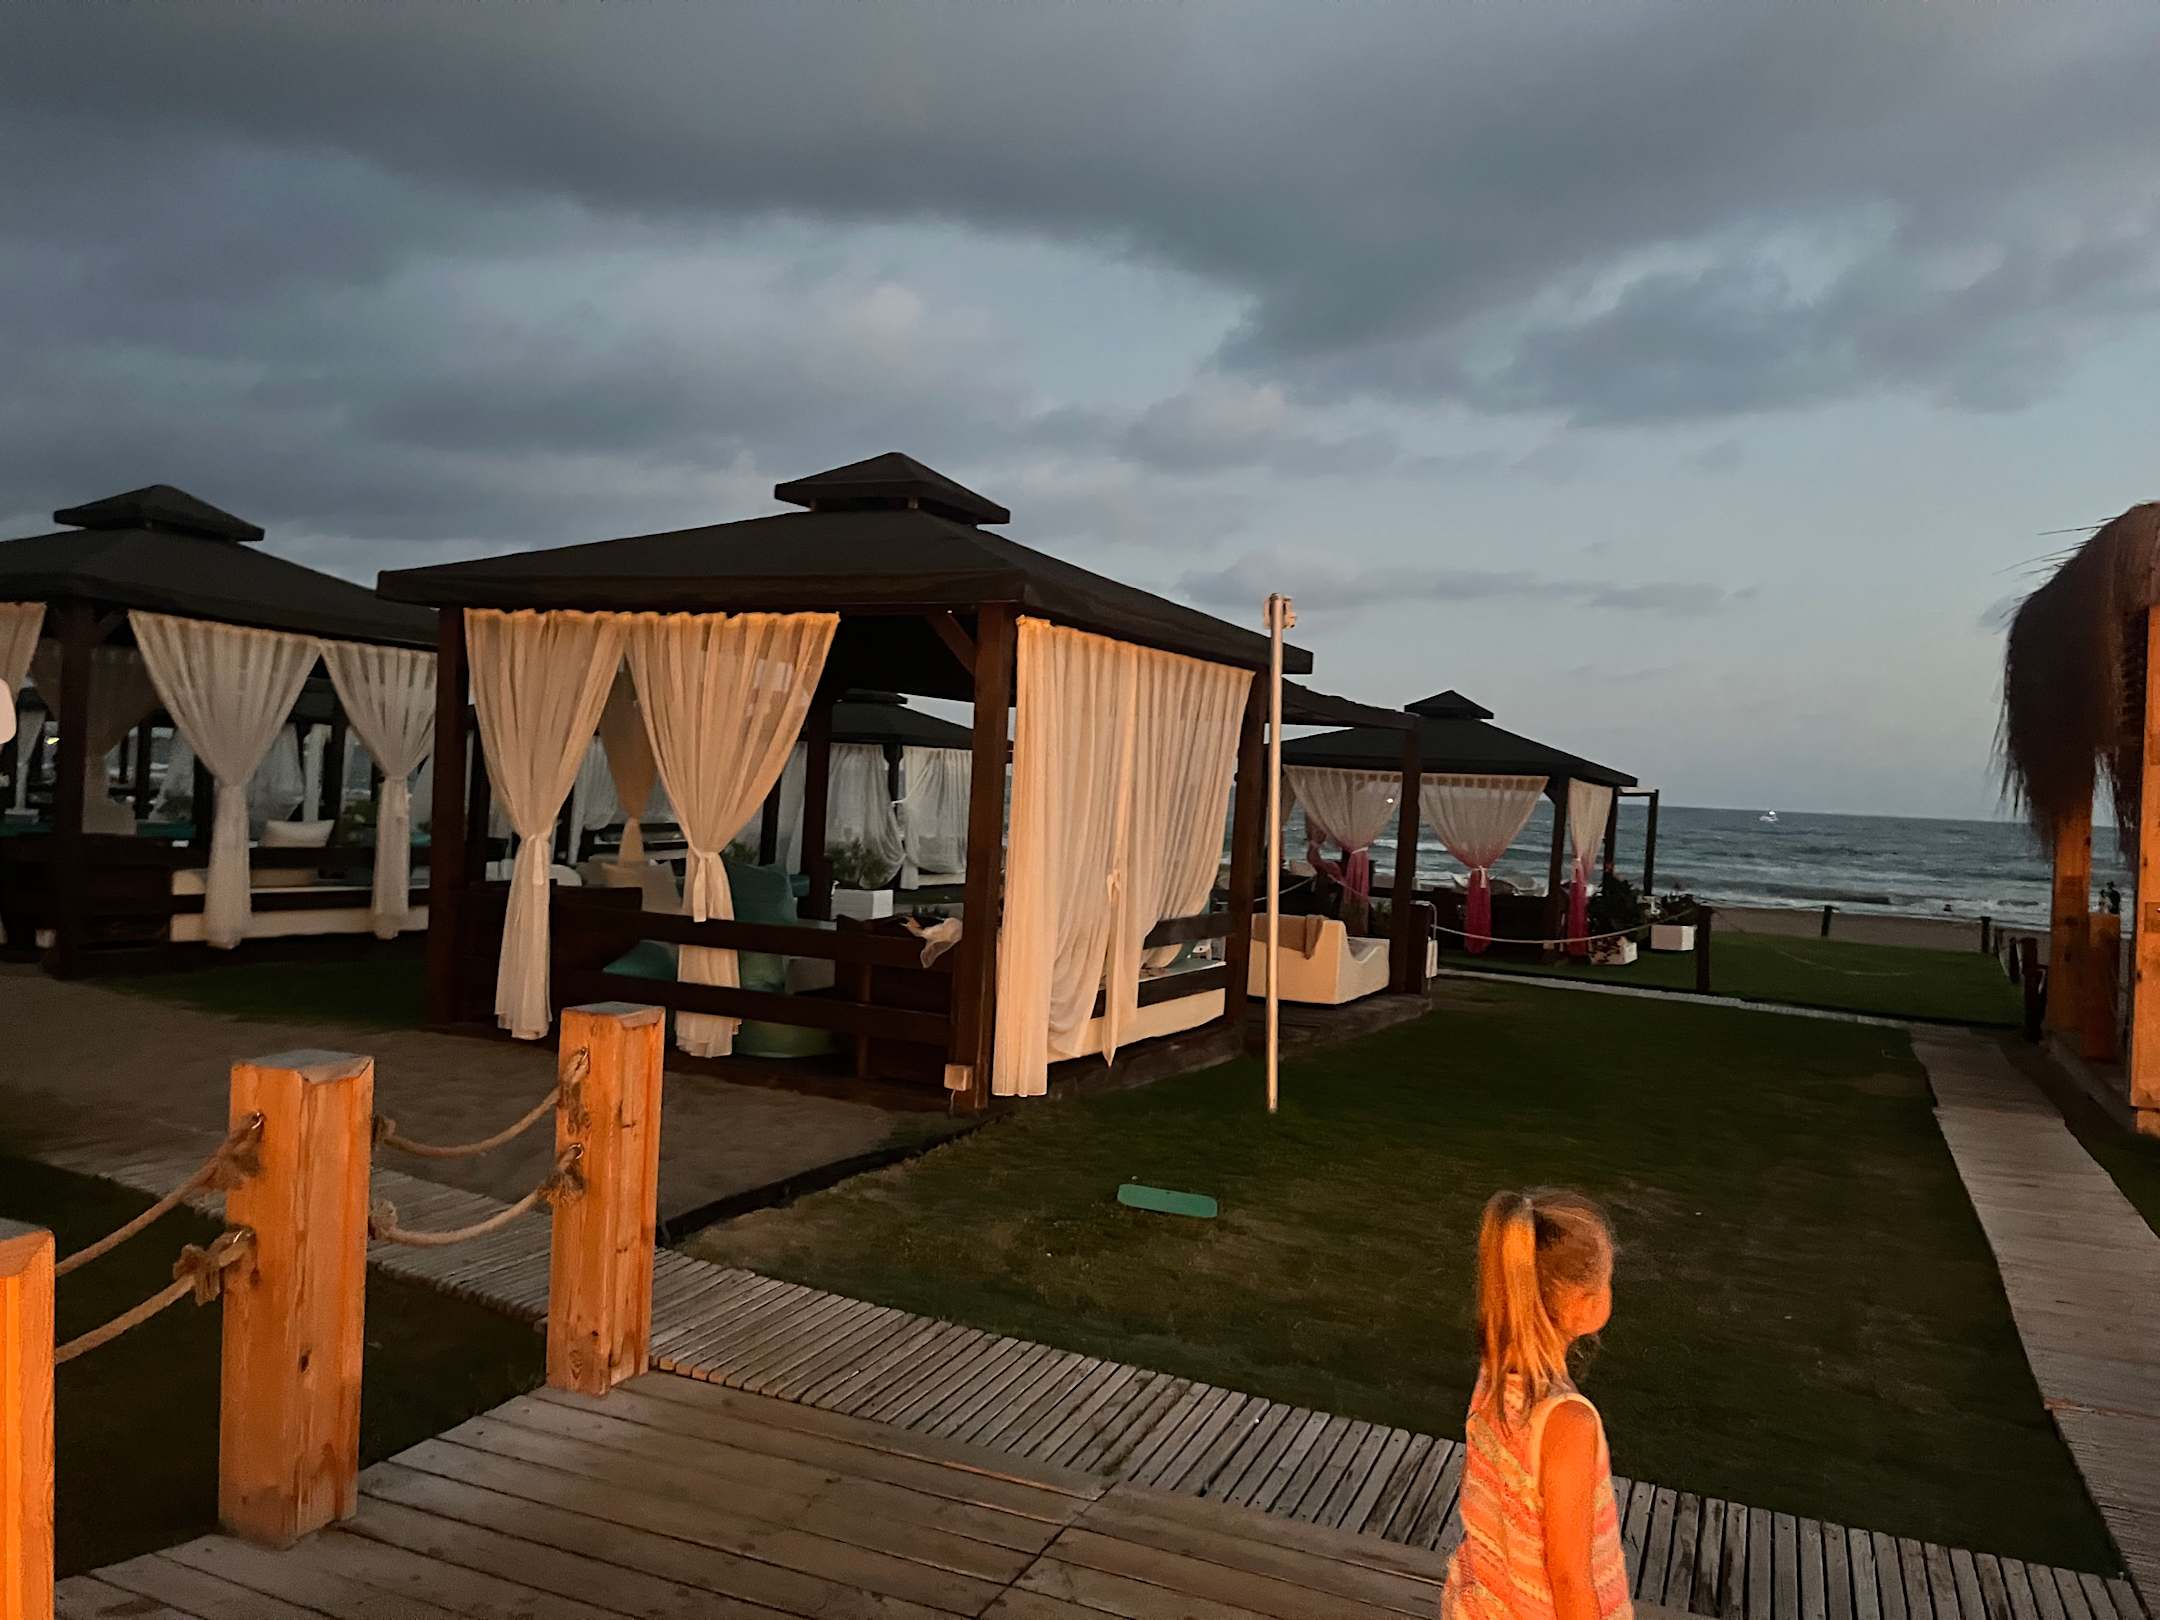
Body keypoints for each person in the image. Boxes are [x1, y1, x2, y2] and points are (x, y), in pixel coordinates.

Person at [1442, 1190, 1632, 1620]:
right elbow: (1569, 1580)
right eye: (1606, 1280)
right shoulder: (1568, 1423)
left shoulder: (1495, 1377)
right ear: (1582, 1303)